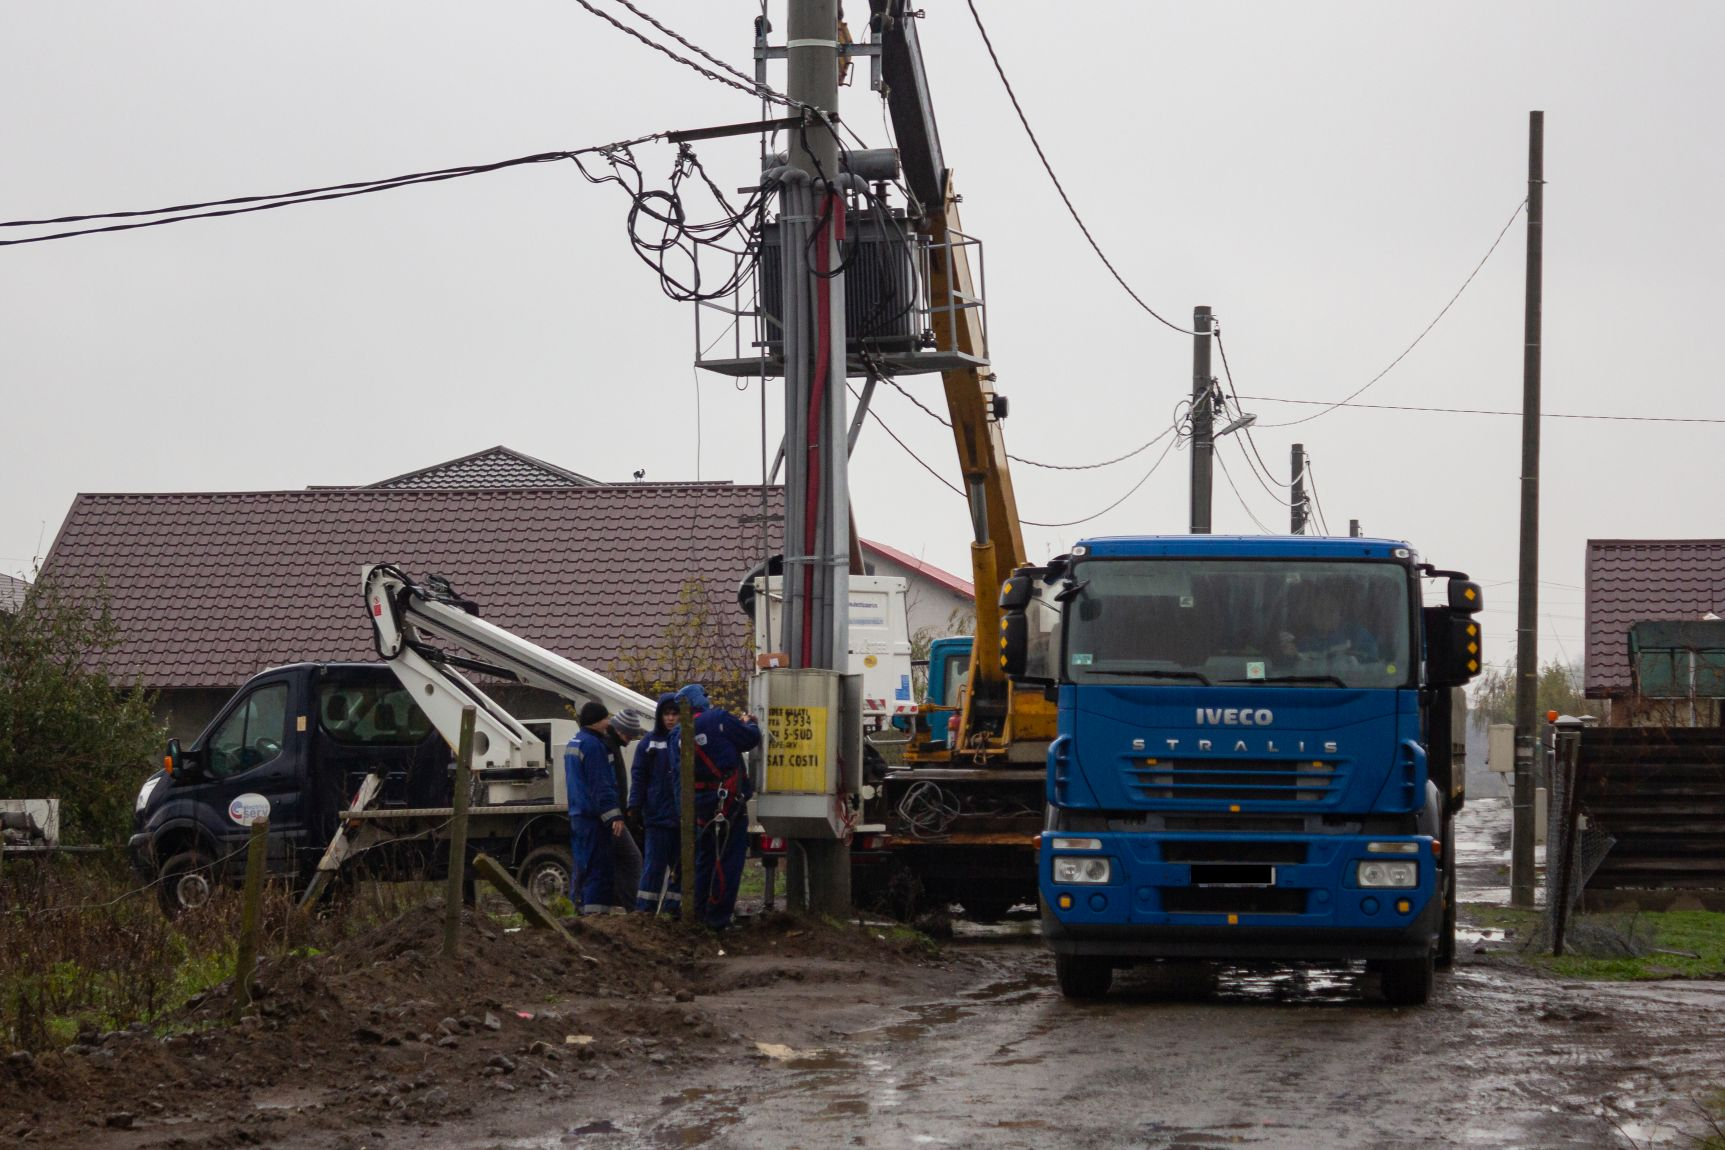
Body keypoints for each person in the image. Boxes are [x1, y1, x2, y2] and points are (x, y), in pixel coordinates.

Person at [665, 683, 760, 930]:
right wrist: (750, 722)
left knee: (704, 859)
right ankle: (718, 919)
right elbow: (750, 738)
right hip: (727, 803)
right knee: (728, 860)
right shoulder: (717, 719)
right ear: (701, 700)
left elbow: (677, 776)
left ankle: (697, 914)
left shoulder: (675, 735)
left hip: (698, 806)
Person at [565, 701, 627, 914]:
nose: (608, 723)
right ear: (597, 721)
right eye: (605, 719)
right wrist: (614, 816)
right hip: (593, 818)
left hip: (578, 814)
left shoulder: (575, 742)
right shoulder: (594, 746)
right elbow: (601, 784)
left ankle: (578, 908)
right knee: (598, 868)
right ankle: (595, 916)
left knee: (582, 866)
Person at [629, 693, 682, 915]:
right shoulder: (648, 743)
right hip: (657, 817)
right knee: (653, 868)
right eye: (666, 714)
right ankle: (645, 913)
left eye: (674, 714)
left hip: (680, 818)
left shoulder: (684, 741)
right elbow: (639, 776)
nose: (670, 719)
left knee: (681, 869)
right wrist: (634, 807)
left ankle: (673, 911)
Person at [605, 708, 648, 910]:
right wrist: (617, 815)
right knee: (633, 859)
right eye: (629, 734)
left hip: (613, 816)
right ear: (620, 730)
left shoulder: (610, 745)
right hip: (613, 818)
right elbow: (608, 785)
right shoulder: (608, 747)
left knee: (622, 862)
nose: (630, 739)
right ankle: (634, 909)